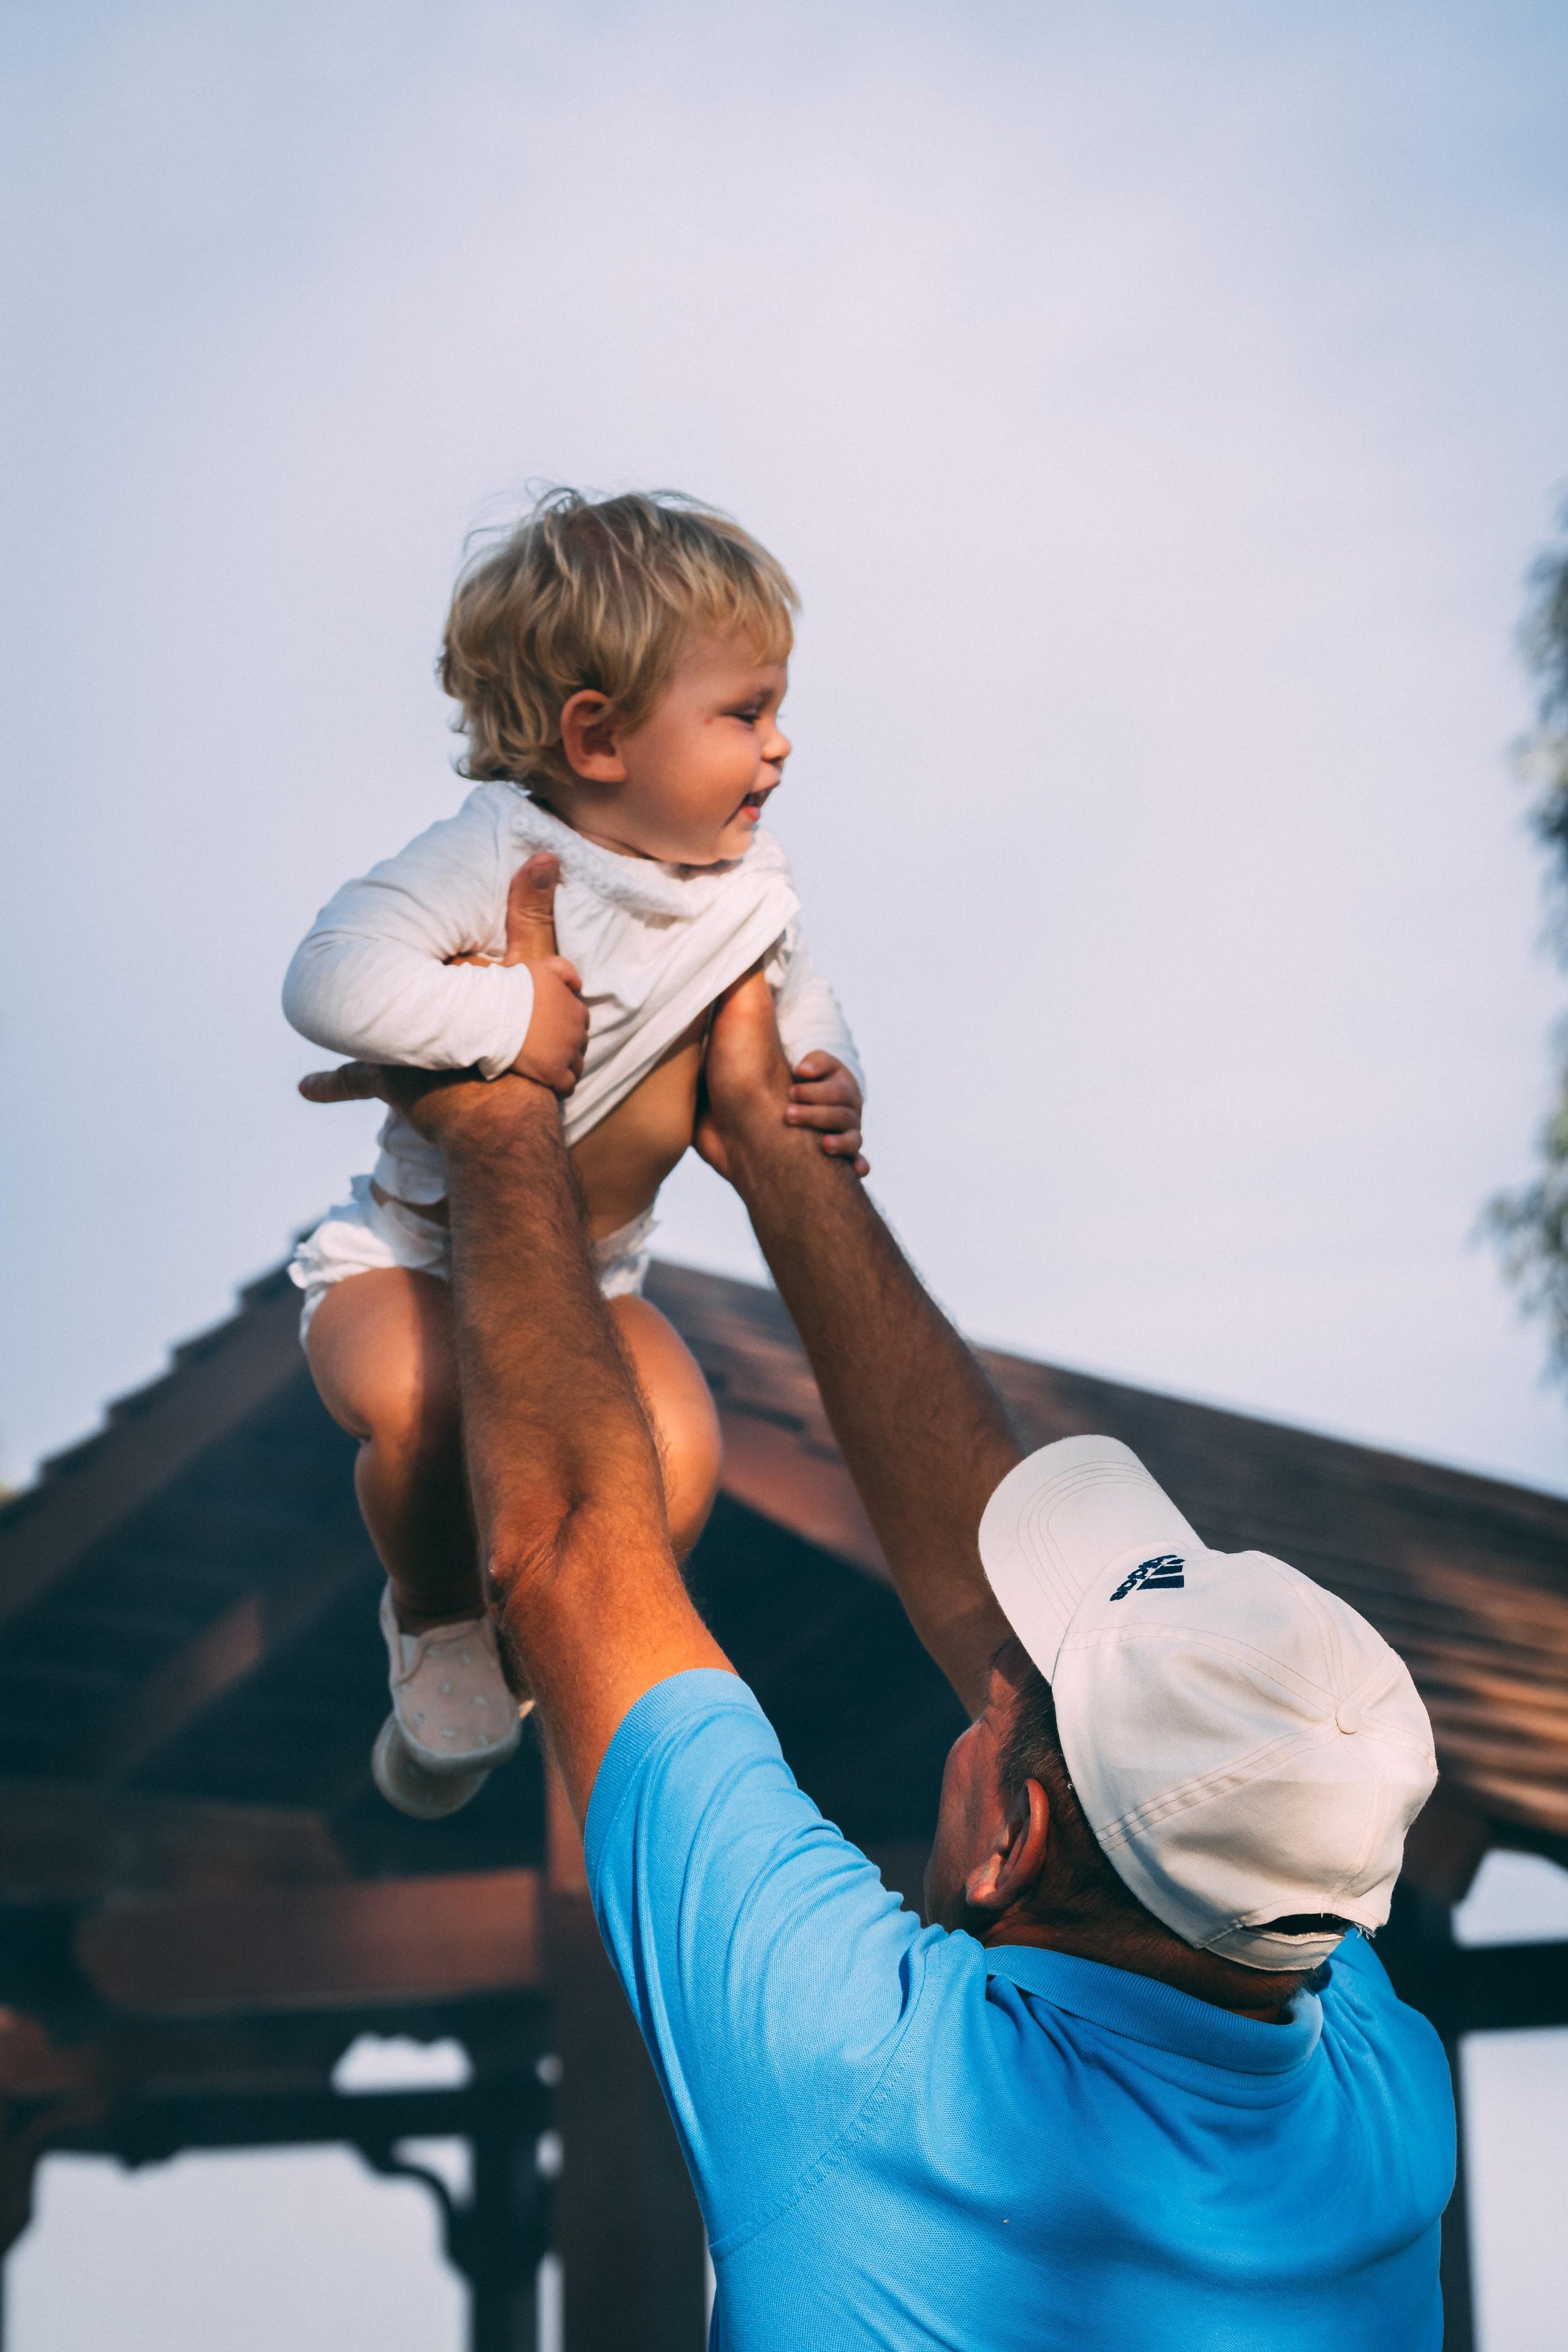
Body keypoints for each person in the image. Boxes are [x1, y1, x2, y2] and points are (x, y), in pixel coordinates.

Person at [304, 925, 1455, 2350]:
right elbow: (1109, 1719)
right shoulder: (1377, 2101)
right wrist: (780, 1158)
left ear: (1006, 1840)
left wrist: (496, 1124)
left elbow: (566, 1560)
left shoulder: (866, 2073)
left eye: (998, 1700)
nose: (975, 1677)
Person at [281, 488, 865, 1817]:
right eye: (743, 713)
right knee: (420, 1412)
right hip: (411, 1259)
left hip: (593, 1279)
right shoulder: (495, 854)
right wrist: (503, 1018)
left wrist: (828, 1085)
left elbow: (802, 1012)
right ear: (597, 736)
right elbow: (327, 978)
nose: (778, 749)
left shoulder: (747, 893)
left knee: (679, 1461)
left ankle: (523, 1629)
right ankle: (432, 1617)